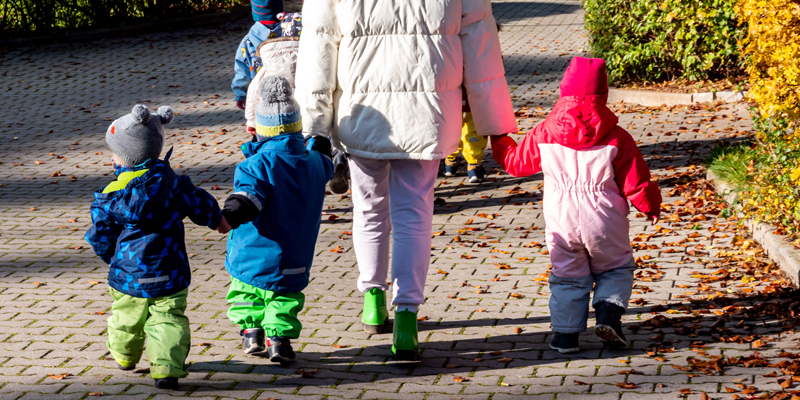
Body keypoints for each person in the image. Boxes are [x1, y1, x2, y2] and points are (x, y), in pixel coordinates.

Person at [295, 0, 516, 360]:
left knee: (368, 210)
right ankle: (407, 319)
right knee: (415, 215)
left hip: (362, 113)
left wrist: (314, 126)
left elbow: (319, 47)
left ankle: (372, 301)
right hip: (428, 112)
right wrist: (494, 123)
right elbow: (481, 43)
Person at [490, 57, 662, 353]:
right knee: (616, 268)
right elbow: (637, 180)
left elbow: (515, 163)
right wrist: (650, 206)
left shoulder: (544, 133)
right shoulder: (617, 137)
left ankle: (565, 336)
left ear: (563, 90)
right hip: (605, 218)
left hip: (562, 219)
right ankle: (608, 314)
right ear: (603, 94)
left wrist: (498, 138)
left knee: (568, 275)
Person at [85, 105, 224, 390]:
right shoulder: (177, 186)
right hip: (170, 272)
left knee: (126, 317)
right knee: (169, 319)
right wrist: (218, 220)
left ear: (123, 160)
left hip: (128, 275)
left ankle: (125, 356)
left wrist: (110, 257)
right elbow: (202, 204)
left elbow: (101, 235)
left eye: (114, 153)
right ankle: (167, 369)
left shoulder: (111, 197)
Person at [218, 76, 333, 366]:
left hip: (252, 251)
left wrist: (228, 216)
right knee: (284, 297)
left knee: (246, 291)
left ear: (261, 131)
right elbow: (326, 163)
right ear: (297, 126)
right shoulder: (315, 162)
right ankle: (280, 342)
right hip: (296, 253)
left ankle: (251, 333)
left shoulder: (256, 165)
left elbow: (248, 197)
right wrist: (319, 145)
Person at [231, 0, 300, 110]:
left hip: (261, 94)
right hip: (293, 90)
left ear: (255, 13)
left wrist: (240, 94)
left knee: (264, 120)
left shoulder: (248, 41)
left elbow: (242, 69)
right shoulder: (294, 31)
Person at [444, 90, 488, 183]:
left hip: (447, 84)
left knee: (451, 119)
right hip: (476, 84)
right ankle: (474, 165)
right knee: (474, 120)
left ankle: (450, 161)